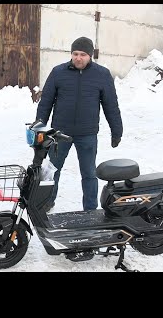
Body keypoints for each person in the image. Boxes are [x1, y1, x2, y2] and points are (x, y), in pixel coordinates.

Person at [36, 36, 123, 212]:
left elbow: (111, 105)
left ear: (90, 55)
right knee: (52, 170)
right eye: (75, 54)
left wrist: (117, 131)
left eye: (83, 54)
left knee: (89, 174)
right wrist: (39, 127)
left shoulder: (102, 75)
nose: (78, 58)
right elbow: (46, 102)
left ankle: (90, 209)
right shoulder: (58, 72)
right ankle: (46, 202)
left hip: (87, 134)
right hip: (60, 133)